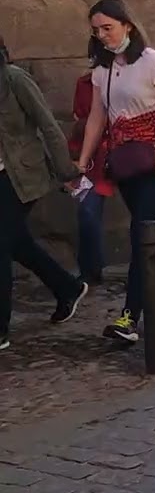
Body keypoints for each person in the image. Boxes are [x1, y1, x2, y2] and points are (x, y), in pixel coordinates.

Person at [76, 0, 155, 344]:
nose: (102, 36)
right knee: (153, 228)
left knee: (140, 232)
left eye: (108, 28)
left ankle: (129, 317)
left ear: (127, 25)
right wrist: (83, 161)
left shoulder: (152, 62)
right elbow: (98, 117)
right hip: (126, 160)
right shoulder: (103, 69)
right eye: (96, 31)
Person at [0, 38, 89, 350]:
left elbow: (48, 125)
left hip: (21, 174)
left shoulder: (14, 79)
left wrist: (66, 170)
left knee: (1, 241)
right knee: (17, 242)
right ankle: (67, 287)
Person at [68, 39, 111, 286]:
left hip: (124, 153)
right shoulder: (84, 83)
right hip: (94, 158)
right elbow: (81, 122)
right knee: (87, 211)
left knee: (146, 214)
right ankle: (91, 269)